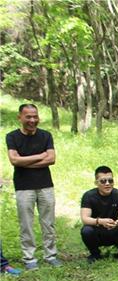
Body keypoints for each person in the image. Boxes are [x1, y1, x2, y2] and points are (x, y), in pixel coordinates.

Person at [5, 103, 62, 270]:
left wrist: (25, 161)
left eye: (35, 116)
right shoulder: (12, 137)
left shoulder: (46, 136)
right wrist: (40, 156)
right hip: (23, 187)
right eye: (28, 116)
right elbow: (14, 160)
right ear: (20, 117)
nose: (32, 120)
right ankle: (29, 258)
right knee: (26, 224)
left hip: (45, 185)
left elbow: (51, 159)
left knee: (48, 223)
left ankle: (51, 255)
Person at [80, 166, 118, 263]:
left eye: (110, 180)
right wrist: (100, 221)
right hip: (97, 230)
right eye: (103, 181)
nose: (107, 184)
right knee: (86, 230)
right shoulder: (88, 196)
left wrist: (116, 223)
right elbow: (85, 218)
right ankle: (95, 254)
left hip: (113, 228)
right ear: (96, 183)